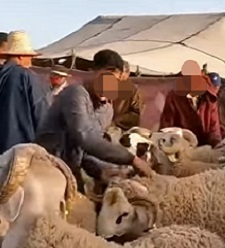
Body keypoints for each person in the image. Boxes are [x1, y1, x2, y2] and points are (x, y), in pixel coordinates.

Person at [36, 49, 153, 191]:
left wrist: (105, 171)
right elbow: (85, 137)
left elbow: (87, 152)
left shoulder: (106, 109)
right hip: (46, 168)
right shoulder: (75, 94)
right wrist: (131, 159)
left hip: (70, 171)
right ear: (94, 73)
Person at [0, 30, 48, 170]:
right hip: (22, 157)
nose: (31, 61)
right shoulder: (29, 77)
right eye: (30, 57)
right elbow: (42, 117)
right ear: (21, 56)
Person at [159, 60, 221, 146]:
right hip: (181, 145)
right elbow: (167, 126)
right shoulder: (174, 97)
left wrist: (216, 145)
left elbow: (214, 127)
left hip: (205, 145)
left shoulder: (209, 98)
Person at [112, 60, 143, 130]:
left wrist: (115, 121)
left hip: (121, 129)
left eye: (121, 73)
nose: (119, 76)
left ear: (128, 74)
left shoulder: (132, 90)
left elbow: (136, 115)